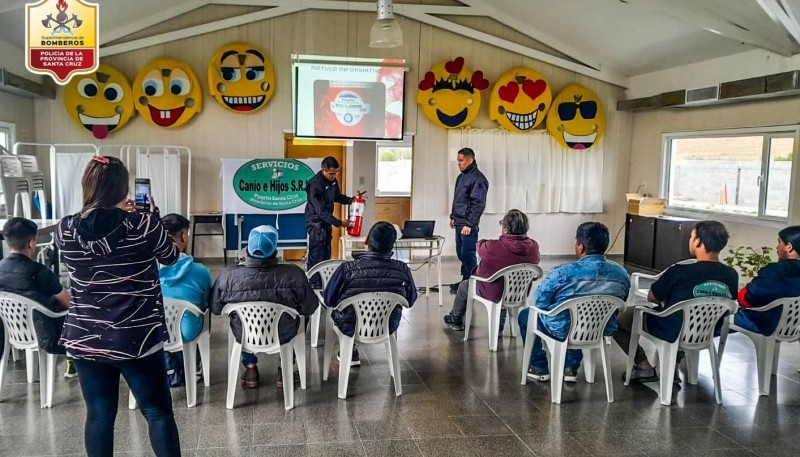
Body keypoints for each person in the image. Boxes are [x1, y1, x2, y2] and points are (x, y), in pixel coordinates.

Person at [55, 156, 181, 457]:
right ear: (123, 189)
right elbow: (171, 256)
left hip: (86, 336)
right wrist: (152, 216)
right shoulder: (145, 225)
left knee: (99, 415)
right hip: (136, 335)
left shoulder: (65, 230)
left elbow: (93, 235)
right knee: (157, 412)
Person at [615, 220, 739, 382]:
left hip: (671, 328)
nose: (690, 240)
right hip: (707, 330)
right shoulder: (731, 274)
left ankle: (643, 365)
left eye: (691, 236)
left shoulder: (679, 271)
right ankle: (672, 363)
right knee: (684, 318)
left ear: (698, 242)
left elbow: (652, 297)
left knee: (618, 318)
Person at [520, 222, 630, 382]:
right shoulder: (622, 274)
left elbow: (539, 302)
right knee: (576, 319)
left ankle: (538, 367)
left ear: (580, 247)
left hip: (562, 329)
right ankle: (570, 367)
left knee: (526, 315)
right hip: (599, 328)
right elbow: (621, 300)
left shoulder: (562, 272)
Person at [211, 225, 318, 388]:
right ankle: (285, 367)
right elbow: (310, 307)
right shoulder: (295, 274)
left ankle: (250, 368)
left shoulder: (228, 275)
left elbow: (216, 308)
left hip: (245, 334)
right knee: (303, 313)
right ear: (275, 252)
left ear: (247, 251)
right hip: (283, 333)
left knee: (238, 319)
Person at [324, 221, 417, 366]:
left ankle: (350, 349)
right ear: (392, 245)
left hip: (350, 326)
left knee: (344, 313)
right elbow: (411, 300)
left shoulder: (347, 268)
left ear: (367, 241)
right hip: (387, 324)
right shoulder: (403, 269)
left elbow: (329, 300)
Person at [443, 209, 541, 333]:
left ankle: (455, 319)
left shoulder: (493, 247)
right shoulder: (534, 247)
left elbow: (479, 245)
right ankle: (498, 327)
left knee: (464, 286)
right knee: (503, 285)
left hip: (494, 292)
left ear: (505, 230)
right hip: (519, 292)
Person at [0, 217, 73, 378]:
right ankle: (74, 360)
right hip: (48, 334)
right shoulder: (39, 272)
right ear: (32, 243)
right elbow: (68, 303)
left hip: (13, 333)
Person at [158, 213, 213, 387]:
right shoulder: (200, 271)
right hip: (186, 331)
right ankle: (193, 366)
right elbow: (206, 302)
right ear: (183, 236)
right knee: (199, 316)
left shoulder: (145, 269)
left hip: (154, 331)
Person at [734, 225, 800, 336]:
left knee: (726, 317)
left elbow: (746, 299)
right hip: (794, 327)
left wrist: (747, 288)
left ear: (789, 247)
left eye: (779, 243)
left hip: (767, 325)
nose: (777, 247)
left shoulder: (774, 271)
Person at [305, 156, 353, 287]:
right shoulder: (314, 184)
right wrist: (339, 223)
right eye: (331, 173)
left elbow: (337, 196)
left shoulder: (333, 181)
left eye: (336, 172)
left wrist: (351, 200)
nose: (334, 175)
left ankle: (324, 282)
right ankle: (314, 284)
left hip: (326, 223)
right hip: (315, 223)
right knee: (317, 255)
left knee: (326, 254)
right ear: (323, 170)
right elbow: (320, 211)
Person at [449, 147, 489, 293]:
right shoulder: (461, 177)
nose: (459, 164)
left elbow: (478, 204)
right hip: (459, 222)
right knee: (461, 253)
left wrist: (469, 223)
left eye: (461, 161)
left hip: (468, 225)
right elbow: (457, 200)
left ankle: (472, 284)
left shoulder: (478, 179)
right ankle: (465, 281)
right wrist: (453, 217)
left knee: (468, 253)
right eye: (458, 161)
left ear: (470, 160)